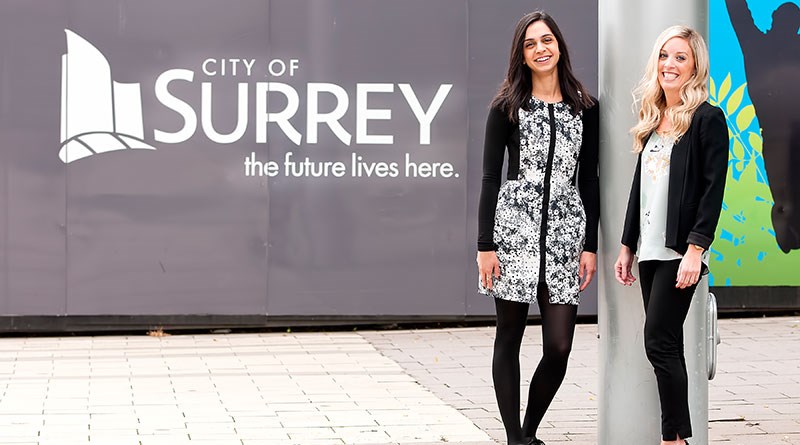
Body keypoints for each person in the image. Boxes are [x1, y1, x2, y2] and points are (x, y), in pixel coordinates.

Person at [476, 10, 599, 445]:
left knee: (559, 346)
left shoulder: (585, 107)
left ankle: (529, 429)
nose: (540, 49)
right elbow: (491, 178)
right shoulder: (506, 106)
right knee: (508, 334)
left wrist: (590, 245)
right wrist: (485, 246)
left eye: (546, 40)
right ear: (521, 55)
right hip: (515, 230)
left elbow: (589, 179)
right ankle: (515, 438)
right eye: (530, 44)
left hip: (566, 233)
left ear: (559, 45)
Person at [614, 25, 728, 445]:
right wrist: (628, 245)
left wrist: (696, 250)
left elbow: (713, 190)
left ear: (695, 64)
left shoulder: (707, 119)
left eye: (680, 57)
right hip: (649, 251)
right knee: (666, 344)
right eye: (664, 55)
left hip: (681, 251)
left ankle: (673, 439)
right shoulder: (653, 119)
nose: (669, 65)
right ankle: (678, 437)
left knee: (659, 341)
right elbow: (640, 188)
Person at [725, 0, 800, 253]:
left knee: (786, 198)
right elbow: (739, 13)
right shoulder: (757, 44)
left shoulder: (757, 44)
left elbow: (740, 15)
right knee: (784, 199)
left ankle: (789, 230)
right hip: (776, 134)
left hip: (779, 134)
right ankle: (788, 232)